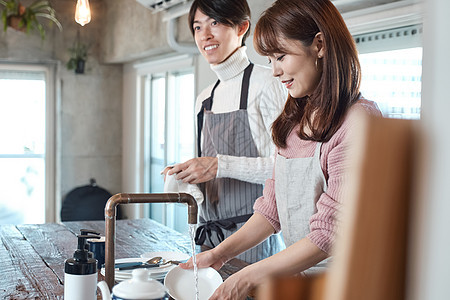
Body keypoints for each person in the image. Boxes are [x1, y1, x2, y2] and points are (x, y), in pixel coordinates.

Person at [179, 0, 382, 298]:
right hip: (303, 282)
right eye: (271, 59)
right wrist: (218, 255)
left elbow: (329, 233)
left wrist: (247, 276)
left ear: (320, 45)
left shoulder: (359, 121)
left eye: (281, 56)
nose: (274, 71)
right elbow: (271, 208)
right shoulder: (295, 122)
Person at [163, 0, 287, 263]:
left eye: (215, 23)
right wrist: (185, 176)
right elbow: (206, 176)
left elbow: (286, 169)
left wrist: (219, 166)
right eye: (197, 27)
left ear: (242, 27)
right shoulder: (203, 99)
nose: (205, 35)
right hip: (209, 240)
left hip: (256, 240)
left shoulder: (268, 83)